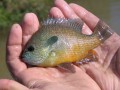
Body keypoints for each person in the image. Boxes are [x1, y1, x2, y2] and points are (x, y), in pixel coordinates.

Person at [0, 0, 120, 90]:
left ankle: (98, 36)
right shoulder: (44, 50)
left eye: (31, 49)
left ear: (45, 46)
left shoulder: (48, 49)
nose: (25, 54)